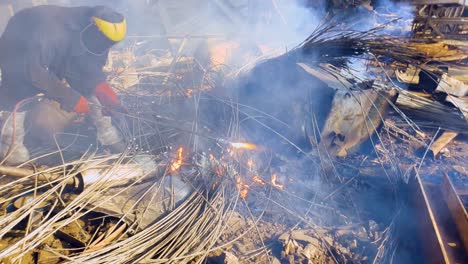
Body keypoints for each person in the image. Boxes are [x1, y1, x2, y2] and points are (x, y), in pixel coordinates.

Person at [0, 5, 127, 165]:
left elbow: (89, 71)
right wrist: (69, 97)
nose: (104, 47)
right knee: (19, 90)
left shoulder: (96, 37)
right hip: (21, 45)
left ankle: (108, 136)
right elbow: (33, 72)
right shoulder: (50, 31)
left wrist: (104, 93)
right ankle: (12, 151)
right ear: (92, 27)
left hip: (63, 47)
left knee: (86, 84)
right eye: (102, 42)